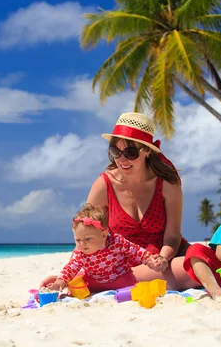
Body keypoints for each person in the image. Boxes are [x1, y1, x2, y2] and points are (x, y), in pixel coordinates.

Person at [41, 112, 198, 290]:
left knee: (195, 264)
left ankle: (105, 283)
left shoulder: (168, 183)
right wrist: (66, 276)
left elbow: (172, 236)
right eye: (116, 151)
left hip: (162, 260)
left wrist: (161, 259)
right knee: (187, 273)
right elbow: (85, 232)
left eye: (131, 152)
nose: (122, 159)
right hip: (119, 266)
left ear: (147, 151)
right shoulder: (104, 185)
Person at [46, 204, 169, 293]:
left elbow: (137, 252)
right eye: (78, 240)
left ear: (104, 235)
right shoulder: (80, 252)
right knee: (77, 283)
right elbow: (71, 267)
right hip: (94, 281)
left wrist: (150, 261)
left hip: (120, 278)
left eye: (88, 239)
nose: (82, 244)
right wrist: (60, 282)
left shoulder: (117, 242)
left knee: (132, 288)